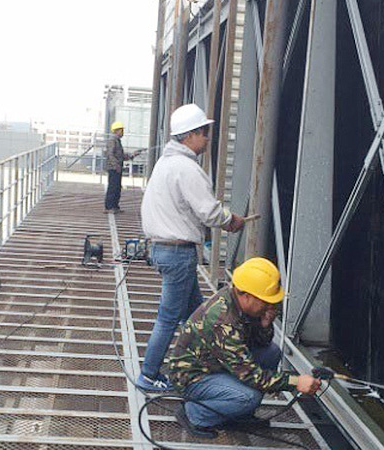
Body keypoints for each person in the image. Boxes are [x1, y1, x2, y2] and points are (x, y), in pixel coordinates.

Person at [137, 103, 246, 391]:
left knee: (197, 314)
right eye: (203, 133)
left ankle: (203, 364)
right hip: (178, 253)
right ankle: (148, 375)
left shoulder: (165, 163)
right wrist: (231, 221)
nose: (207, 138)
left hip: (163, 249)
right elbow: (209, 212)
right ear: (189, 135)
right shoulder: (187, 169)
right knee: (169, 317)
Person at [168, 257, 322, 438]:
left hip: (217, 364)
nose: (270, 305)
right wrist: (295, 382)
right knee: (249, 397)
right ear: (247, 295)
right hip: (193, 378)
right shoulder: (223, 321)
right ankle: (195, 414)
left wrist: (265, 325)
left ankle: (238, 412)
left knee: (272, 353)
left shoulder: (240, 302)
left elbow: (260, 345)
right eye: (265, 301)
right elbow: (251, 375)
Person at [104, 121, 135, 213]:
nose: (122, 132)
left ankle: (115, 206)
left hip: (117, 168)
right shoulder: (112, 140)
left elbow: (120, 155)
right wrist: (115, 165)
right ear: (117, 130)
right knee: (113, 187)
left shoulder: (117, 141)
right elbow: (110, 154)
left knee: (117, 188)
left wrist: (131, 155)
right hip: (113, 168)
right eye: (121, 130)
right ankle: (109, 207)